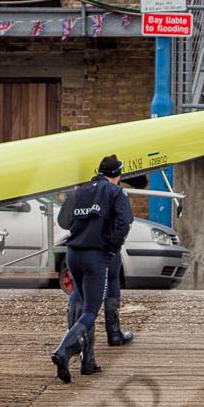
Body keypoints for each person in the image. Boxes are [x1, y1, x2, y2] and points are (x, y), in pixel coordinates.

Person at [50, 155, 131, 383]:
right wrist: (112, 246)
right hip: (97, 256)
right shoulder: (115, 193)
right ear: (118, 175)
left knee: (80, 297)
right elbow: (124, 222)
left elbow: (64, 222)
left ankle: (88, 361)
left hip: (73, 254)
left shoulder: (80, 191)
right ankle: (63, 351)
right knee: (90, 311)